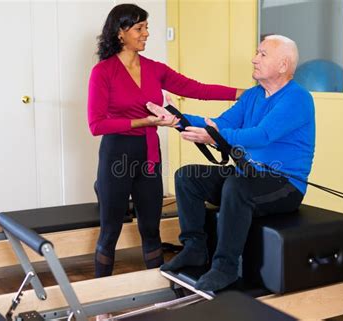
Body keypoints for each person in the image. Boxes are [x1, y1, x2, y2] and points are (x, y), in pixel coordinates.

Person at [87, 3, 243, 281]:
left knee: (151, 229)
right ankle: (100, 308)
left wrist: (241, 93)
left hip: (149, 156)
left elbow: (197, 89)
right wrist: (144, 122)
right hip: (116, 156)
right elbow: (97, 124)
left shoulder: (154, 69)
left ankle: (157, 293)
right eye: (140, 28)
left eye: (147, 27)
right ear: (121, 32)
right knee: (110, 231)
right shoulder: (103, 72)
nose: (147, 33)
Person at [150, 35, 316, 292]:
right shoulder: (253, 96)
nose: (254, 59)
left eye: (262, 54)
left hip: (284, 184)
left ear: (283, 65)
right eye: (256, 53)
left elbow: (262, 135)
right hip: (248, 175)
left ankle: (225, 268)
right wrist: (176, 118)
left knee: (237, 186)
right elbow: (221, 124)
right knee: (187, 177)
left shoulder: (297, 98)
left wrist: (215, 137)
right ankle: (194, 248)